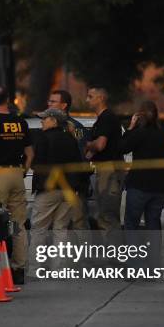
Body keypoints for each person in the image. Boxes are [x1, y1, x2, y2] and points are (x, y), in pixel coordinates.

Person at [0, 86, 34, 284]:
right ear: (9, 99)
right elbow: (30, 153)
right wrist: (23, 170)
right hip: (16, 174)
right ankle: (18, 269)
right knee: (18, 224)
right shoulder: (20, 122)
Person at [28, 108, 84, 275]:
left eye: (44, 119)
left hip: (48, 189)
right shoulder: (70, 139)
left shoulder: (43, 138)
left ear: (53, 120)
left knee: (39, 228)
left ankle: (34, 268)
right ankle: (59, 267)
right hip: (68, 190)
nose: (41, 122)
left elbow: (36, 164)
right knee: (61, 228)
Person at [119, 101, 164, 267]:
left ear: (139, 116)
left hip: (140, 185)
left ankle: (134, 266)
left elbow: (122, 147)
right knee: (153, 225)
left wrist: (130, 127)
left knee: (131, 225)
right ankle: (153, 266)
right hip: (161, 187)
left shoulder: (138, 133)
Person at [46, 90, 91, 231]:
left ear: (64, 105)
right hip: (54, 185)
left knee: (78, 222)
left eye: (53, 101)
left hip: (72, 184)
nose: (49, 104)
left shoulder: (74, 127)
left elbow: (81, 155)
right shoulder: (47, 126)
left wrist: (77, 183)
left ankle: (83, 252)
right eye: (49, 101)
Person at [84, 87, 122, 240]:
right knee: (103, 215)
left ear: (100, 98)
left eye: (90, 96)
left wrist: (88, 144)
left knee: (108, 216)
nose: (87, 100)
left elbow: (100, 145)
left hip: (109, 171)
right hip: (104, 170)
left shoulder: (107, 118)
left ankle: (116, 259)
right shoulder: (101, 120)